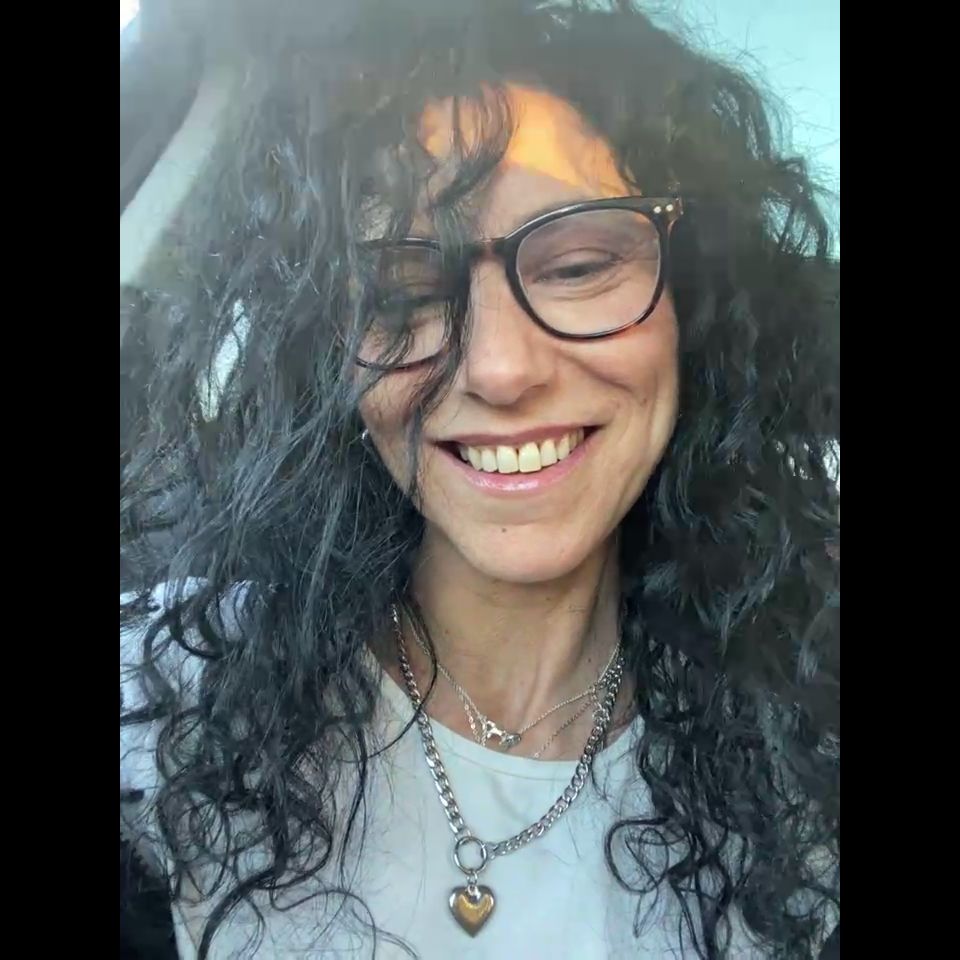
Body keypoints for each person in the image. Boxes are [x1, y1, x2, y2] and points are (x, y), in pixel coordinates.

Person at [120, 1, 840, 957]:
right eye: (404, 295)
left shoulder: (808, 757)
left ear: (693, 304)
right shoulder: (161, 719)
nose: (499, 369)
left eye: (578, 265)